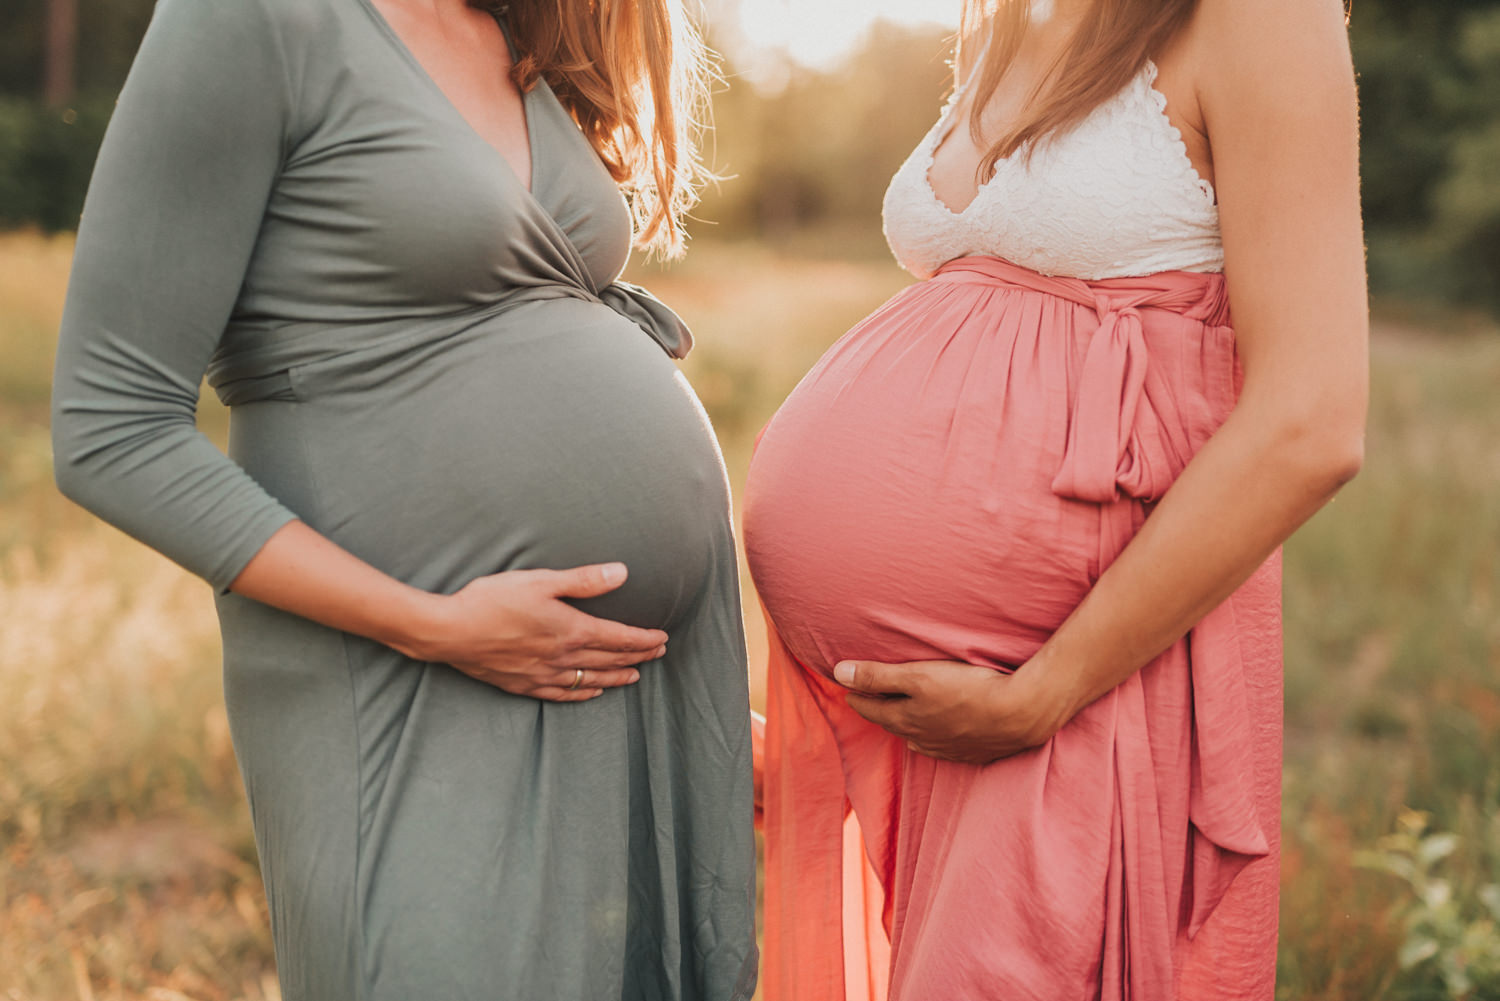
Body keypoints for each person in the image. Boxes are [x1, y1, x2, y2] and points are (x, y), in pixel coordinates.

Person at [50, 0, 758, 997]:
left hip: (610, 690)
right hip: (403, 666)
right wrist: (432, 625)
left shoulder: (518, 33)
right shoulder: (251, 19)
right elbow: (109, 428)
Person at [743, 0, 1367, 996]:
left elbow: (1313, 420)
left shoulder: (1259, 15)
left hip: (1075, 682)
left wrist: (1047, 689)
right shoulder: (1001, 17)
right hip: (949, 705)